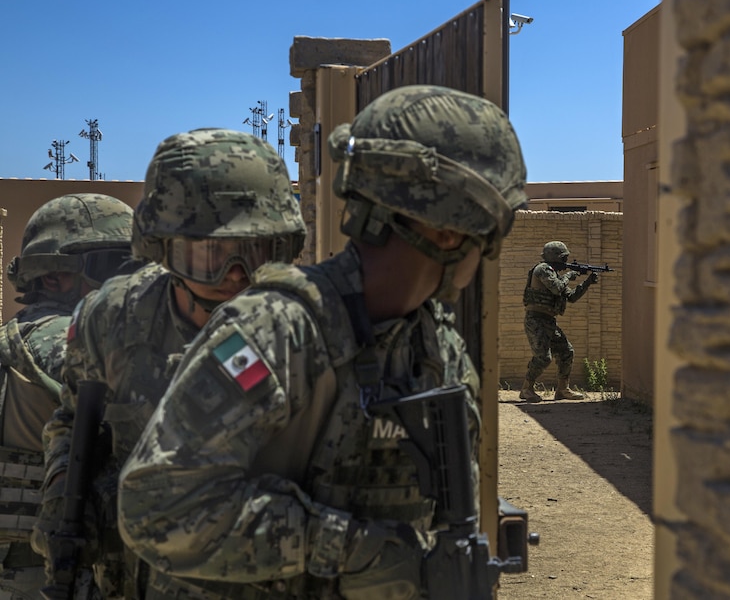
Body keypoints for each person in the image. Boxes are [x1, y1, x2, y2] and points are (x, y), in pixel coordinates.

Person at [116, 85, 527, 599]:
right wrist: (356, 550)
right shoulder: (279, 331)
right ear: (450, 230)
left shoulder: (434, 344)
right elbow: (158, 507)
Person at [32, 129, 307, 599]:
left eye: (254, 252)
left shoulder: (309, 335)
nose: (234, 275)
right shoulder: (113, 320)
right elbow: (73, 420)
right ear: (163, 248)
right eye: (211, 254)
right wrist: (62, 484)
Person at [0, 193, 134, 599]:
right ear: (54, 276)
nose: (127, 281)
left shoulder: (17, 335)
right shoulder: (66, 338)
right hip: (49, 571)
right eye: (112, 265)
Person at [518, 240, 599, 403]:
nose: (565, 262)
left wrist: (587, 283)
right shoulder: (542, 269)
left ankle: (562, 389)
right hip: (536, 320)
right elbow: (556, 287)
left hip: (548, 320)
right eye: (563, 258)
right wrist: (569, 275)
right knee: (543, 357)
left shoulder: (555, 274)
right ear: (553, 257)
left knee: (566, 352)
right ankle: (526, 389)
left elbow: (571, 297)